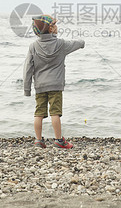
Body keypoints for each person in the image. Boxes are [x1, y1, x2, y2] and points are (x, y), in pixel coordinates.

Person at [23, 15, 85, 149]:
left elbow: (28, 68)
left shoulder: (33, 46)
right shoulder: (61, 44)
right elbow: (77, 44)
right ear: (50, 29)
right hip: (56, 85)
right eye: (54, 24)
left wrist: (27, 89)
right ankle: (58, 140)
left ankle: (38, 140)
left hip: (39, 86)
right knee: (55, 113)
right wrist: (82, 43)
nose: (57, 26)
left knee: (39, 113)